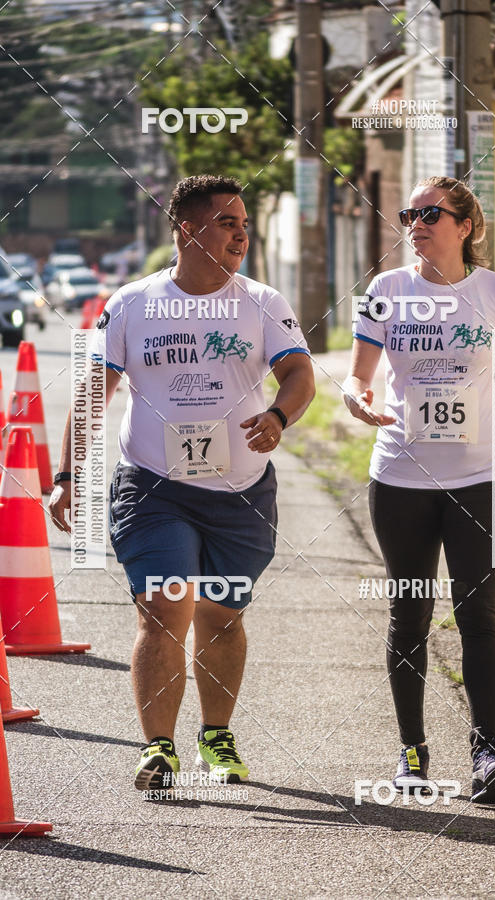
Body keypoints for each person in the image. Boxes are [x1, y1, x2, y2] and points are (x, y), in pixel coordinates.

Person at [50, 174, 315, 791]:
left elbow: (299, 372)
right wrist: (67, 474)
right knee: (165, 608)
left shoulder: (263, 302)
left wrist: (279, 415)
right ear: (187, 229)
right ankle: (158, 749)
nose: (242, 236)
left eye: (245, 226)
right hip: (154, 487)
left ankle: (215, 735)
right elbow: (94, 391)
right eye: (228, 224)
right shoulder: (131, 304)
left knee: (221, 615)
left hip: (242, 492)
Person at [343, 176, 495, 804]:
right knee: (409, 615)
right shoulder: (386, 290)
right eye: (409, 214)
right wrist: (357, 401)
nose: (416, 223)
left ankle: (487, 750)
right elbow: (357, 376)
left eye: (431, 213)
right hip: (400, 479)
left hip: (483, 479)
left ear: (466, 226)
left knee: (478, 617)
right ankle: (412, 756)